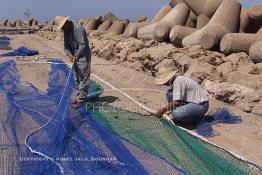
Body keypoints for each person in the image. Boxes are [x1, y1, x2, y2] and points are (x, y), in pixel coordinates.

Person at [55, 16, 91, 109]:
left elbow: (83, 45)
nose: (62, 29)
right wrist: (69, 55)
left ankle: (81, 99)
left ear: (66, 22)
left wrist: (77, 55)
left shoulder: (78, 28)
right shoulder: (66, 31)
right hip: (74, 56)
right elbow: (66, 46)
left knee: (83, 77)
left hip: (83, 56)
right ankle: (79, 96)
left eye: (63, 26)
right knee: (76, 78)